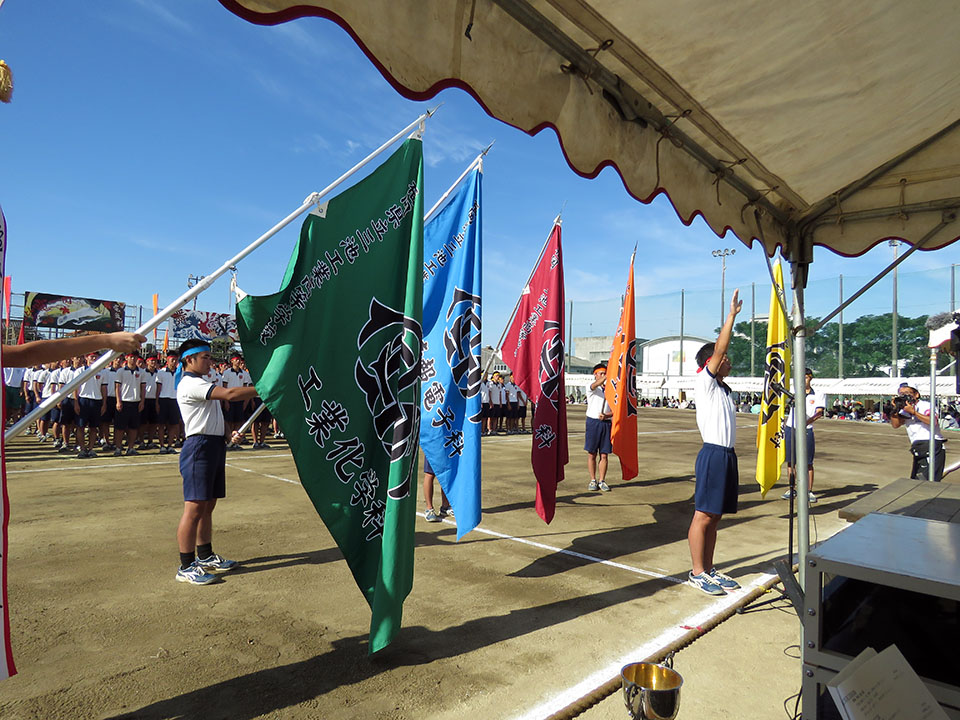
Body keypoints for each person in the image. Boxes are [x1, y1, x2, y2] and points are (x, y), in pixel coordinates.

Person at [174, 338, 259, 585]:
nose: (210, 361)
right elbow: (230, 394)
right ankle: (186, 566)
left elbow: (211, 415)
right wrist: (264, 388)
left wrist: (228, 434)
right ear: (189, 359)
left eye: (210, 357)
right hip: (198, 448)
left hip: (214, 445)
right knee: (194, 508)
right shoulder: (190, 383)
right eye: (205, 357)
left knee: (208, 505)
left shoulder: (201, 382)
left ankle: (205, 555)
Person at [687, 290, 743, 596]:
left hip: (728, 456)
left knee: (716, 516)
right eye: (725, 360)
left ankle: (709, 569)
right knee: (703, 514)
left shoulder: (723, 389)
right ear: (713, 362)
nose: (729, 363)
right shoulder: (705, 382)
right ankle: (697, 572)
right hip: (712, 454)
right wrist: (731, 316)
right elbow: (720, 348)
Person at [781, 368, 826, 503]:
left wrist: (806, 422)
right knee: (791, 461)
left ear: (810, 378)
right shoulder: (793, 393)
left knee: (807, 462)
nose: (803, 380)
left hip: (806, 429)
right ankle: (792, 488)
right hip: (791, 428)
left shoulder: (818, 394)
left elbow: (819, 413)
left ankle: (808, 491)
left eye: (806, 377)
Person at [889, 383, 946, 482]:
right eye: (901, 394)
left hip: (932, 444)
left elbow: (933, 421)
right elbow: (896, 425)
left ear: (916, 394)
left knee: (926, 481)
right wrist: (895, 410)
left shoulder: (926, 405)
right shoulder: (904, 410)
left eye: (907, 393)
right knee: (916, 481)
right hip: (918, 446)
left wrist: (914, 412)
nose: (904, 396)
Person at [585, 363, 613, 492]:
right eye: (600, 373)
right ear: (595, 375)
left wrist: (607, 415)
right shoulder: (591, 387)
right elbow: (594, 385)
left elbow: (616, 410)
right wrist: (607, 376)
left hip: (606, 423)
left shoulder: (611, 390)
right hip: (593, 422)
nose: (603, 376)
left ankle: (602, 480)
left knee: (604, 454)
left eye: (604, 373)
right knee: (592, 453)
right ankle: (592, 479)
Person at [75, 352, 108, 459]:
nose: (94, 358)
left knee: (93, 427)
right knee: (81, 426)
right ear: (86, 357)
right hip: (83, 400)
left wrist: (104, 404)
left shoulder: (102, 372)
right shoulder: (80, 371)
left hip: (96, 401)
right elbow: (75, 388)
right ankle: (82, 449)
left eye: (95, 357)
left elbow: (104, 389)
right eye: (91, 356)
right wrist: (76, 402)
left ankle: (91, 448)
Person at [114, 352, 145, 456]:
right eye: (131, 357)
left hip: (135, 402)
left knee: (133, 427)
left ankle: (131, 447)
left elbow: (143, 388)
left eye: (135, 357)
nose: (133, 359)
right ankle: (118, 448)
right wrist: (118, 401)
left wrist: (142, 401)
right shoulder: (121, 371)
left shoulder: (141, 372)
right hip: (124, 402)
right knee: (120, 427)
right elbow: (117, 387)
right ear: (127, 358)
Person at [156, 350, 181, 455]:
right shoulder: (161, 372)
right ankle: (162, 445)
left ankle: (170, 445)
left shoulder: (180, 373)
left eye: (175, 360)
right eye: (172, 360)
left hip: (175, 400)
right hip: (163, 399)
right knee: (161, 424)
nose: (174, 362)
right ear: (167, 360)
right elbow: (158, 388)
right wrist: (157, 402)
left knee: (174, 424)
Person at [421, 455, 452, 523]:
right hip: (432, 449)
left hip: (446, 449)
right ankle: (429, 509)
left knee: (446, 473)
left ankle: (445, 507)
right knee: (430, 474)